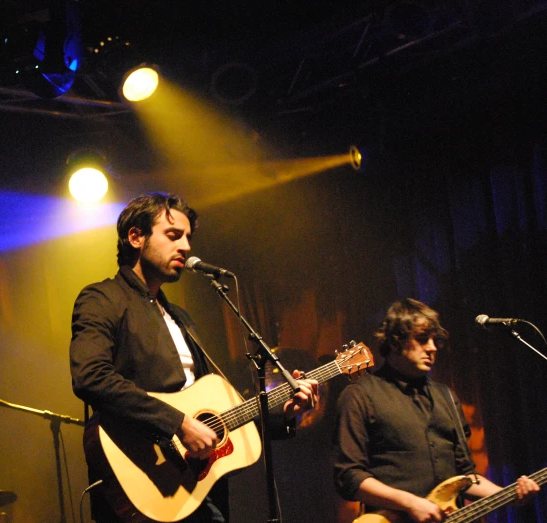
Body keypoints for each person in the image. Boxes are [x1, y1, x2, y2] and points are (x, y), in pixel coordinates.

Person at [70, 192, 319, 522]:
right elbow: (90, 376)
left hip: (199, 491)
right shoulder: (102, 299)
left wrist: (282, 413)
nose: (186, 247)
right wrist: (178, 422)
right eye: (173, 235)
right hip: (146, 485)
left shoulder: (181, 318)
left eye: (188, 237)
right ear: (135, 237)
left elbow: (218, 416)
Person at [333, 298, 540, 523]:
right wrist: (410, 503)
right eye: (422, 339)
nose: (432, 348)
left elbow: (464, 475)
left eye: (434, 340)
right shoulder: (360, 395)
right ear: (394, 342)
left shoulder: (447, 397)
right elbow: (349, 476)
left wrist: (509, 495)